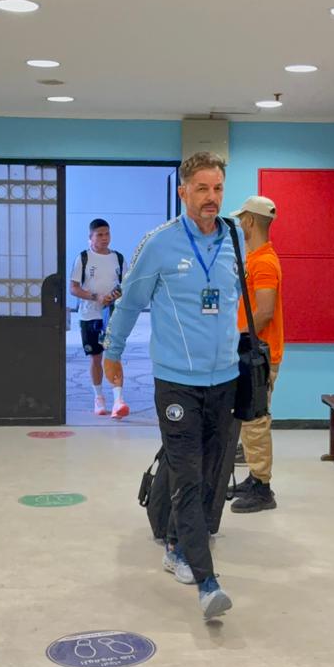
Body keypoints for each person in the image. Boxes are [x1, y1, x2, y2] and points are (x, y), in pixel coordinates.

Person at [103, 152, 239, 622]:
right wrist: (113, 351)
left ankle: (180, 543)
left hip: (225, 379)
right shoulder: (160, 243)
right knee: (186, 472)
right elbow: (129, 301)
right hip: (177, 382)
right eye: (202, 189)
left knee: (211, 470)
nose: (211, 198)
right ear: (183, 192)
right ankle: (207, 581)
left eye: (217, 188)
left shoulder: (234, 239)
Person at [229, 195, 283, 513]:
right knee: (249, 419)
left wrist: (235, 339)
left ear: (250, 220)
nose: (239, 224)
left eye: (241, 219)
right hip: (249, 352)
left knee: (256, 421)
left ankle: (262, 489)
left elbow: (264, 312)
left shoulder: (264, 262)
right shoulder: (255, 258)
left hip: (258, 355)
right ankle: (254, 477)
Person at [69, 219, 129, 419]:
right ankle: (99, 397)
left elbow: (126, 285)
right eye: (100, 235)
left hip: (112, 315)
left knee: (113, 354)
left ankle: (118, 400)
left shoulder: (118, 258)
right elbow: (73, 288)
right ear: (91, 237)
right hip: (90, 315)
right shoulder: (83, 258)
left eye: (107, 234)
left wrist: (115, 295)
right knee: (96, 357)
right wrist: (96, 297)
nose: (104, 238)